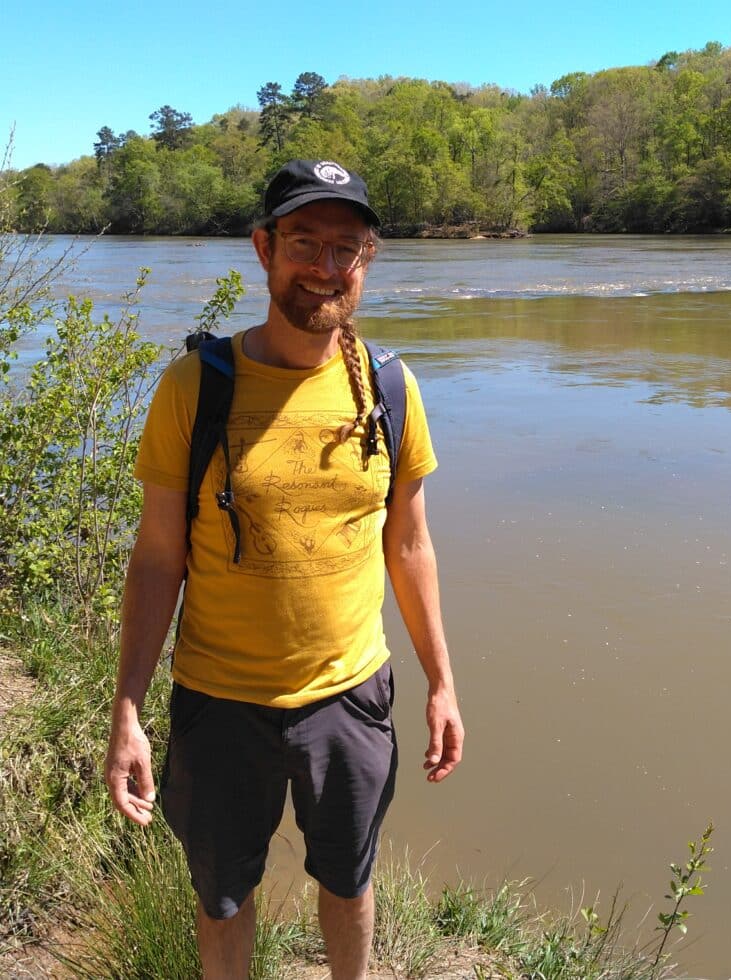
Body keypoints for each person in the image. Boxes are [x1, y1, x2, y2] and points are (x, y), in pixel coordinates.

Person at [104, 159, 463, 980]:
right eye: (305, 241)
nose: (325, 268)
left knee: (349, 881)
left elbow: (409, 547)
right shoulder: (196, 387)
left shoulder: (390, 391)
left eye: (347, 247)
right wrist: (127, 708)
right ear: (264, 248)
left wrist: (442, 682)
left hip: (351, 697)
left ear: (368, 260)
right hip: (220, 700)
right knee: (222, 898)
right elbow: (159, 559)